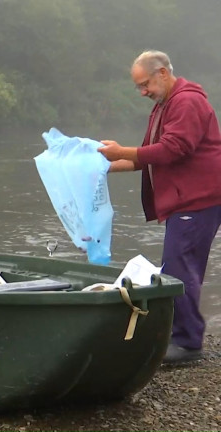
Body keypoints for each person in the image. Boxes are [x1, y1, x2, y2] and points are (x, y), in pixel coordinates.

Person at [97, 50, 221, 364]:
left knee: (180, 268)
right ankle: (183, 336)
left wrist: (121, 150)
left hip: (199, 199)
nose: (143, 92)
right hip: (189, 199)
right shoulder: (165, 104)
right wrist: (102, 167)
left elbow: (173, 149)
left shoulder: (186, 102)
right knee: (180, 266)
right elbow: (149, 155)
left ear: (163, 73)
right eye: (139, 86)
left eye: (145, 84)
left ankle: (188, 343)